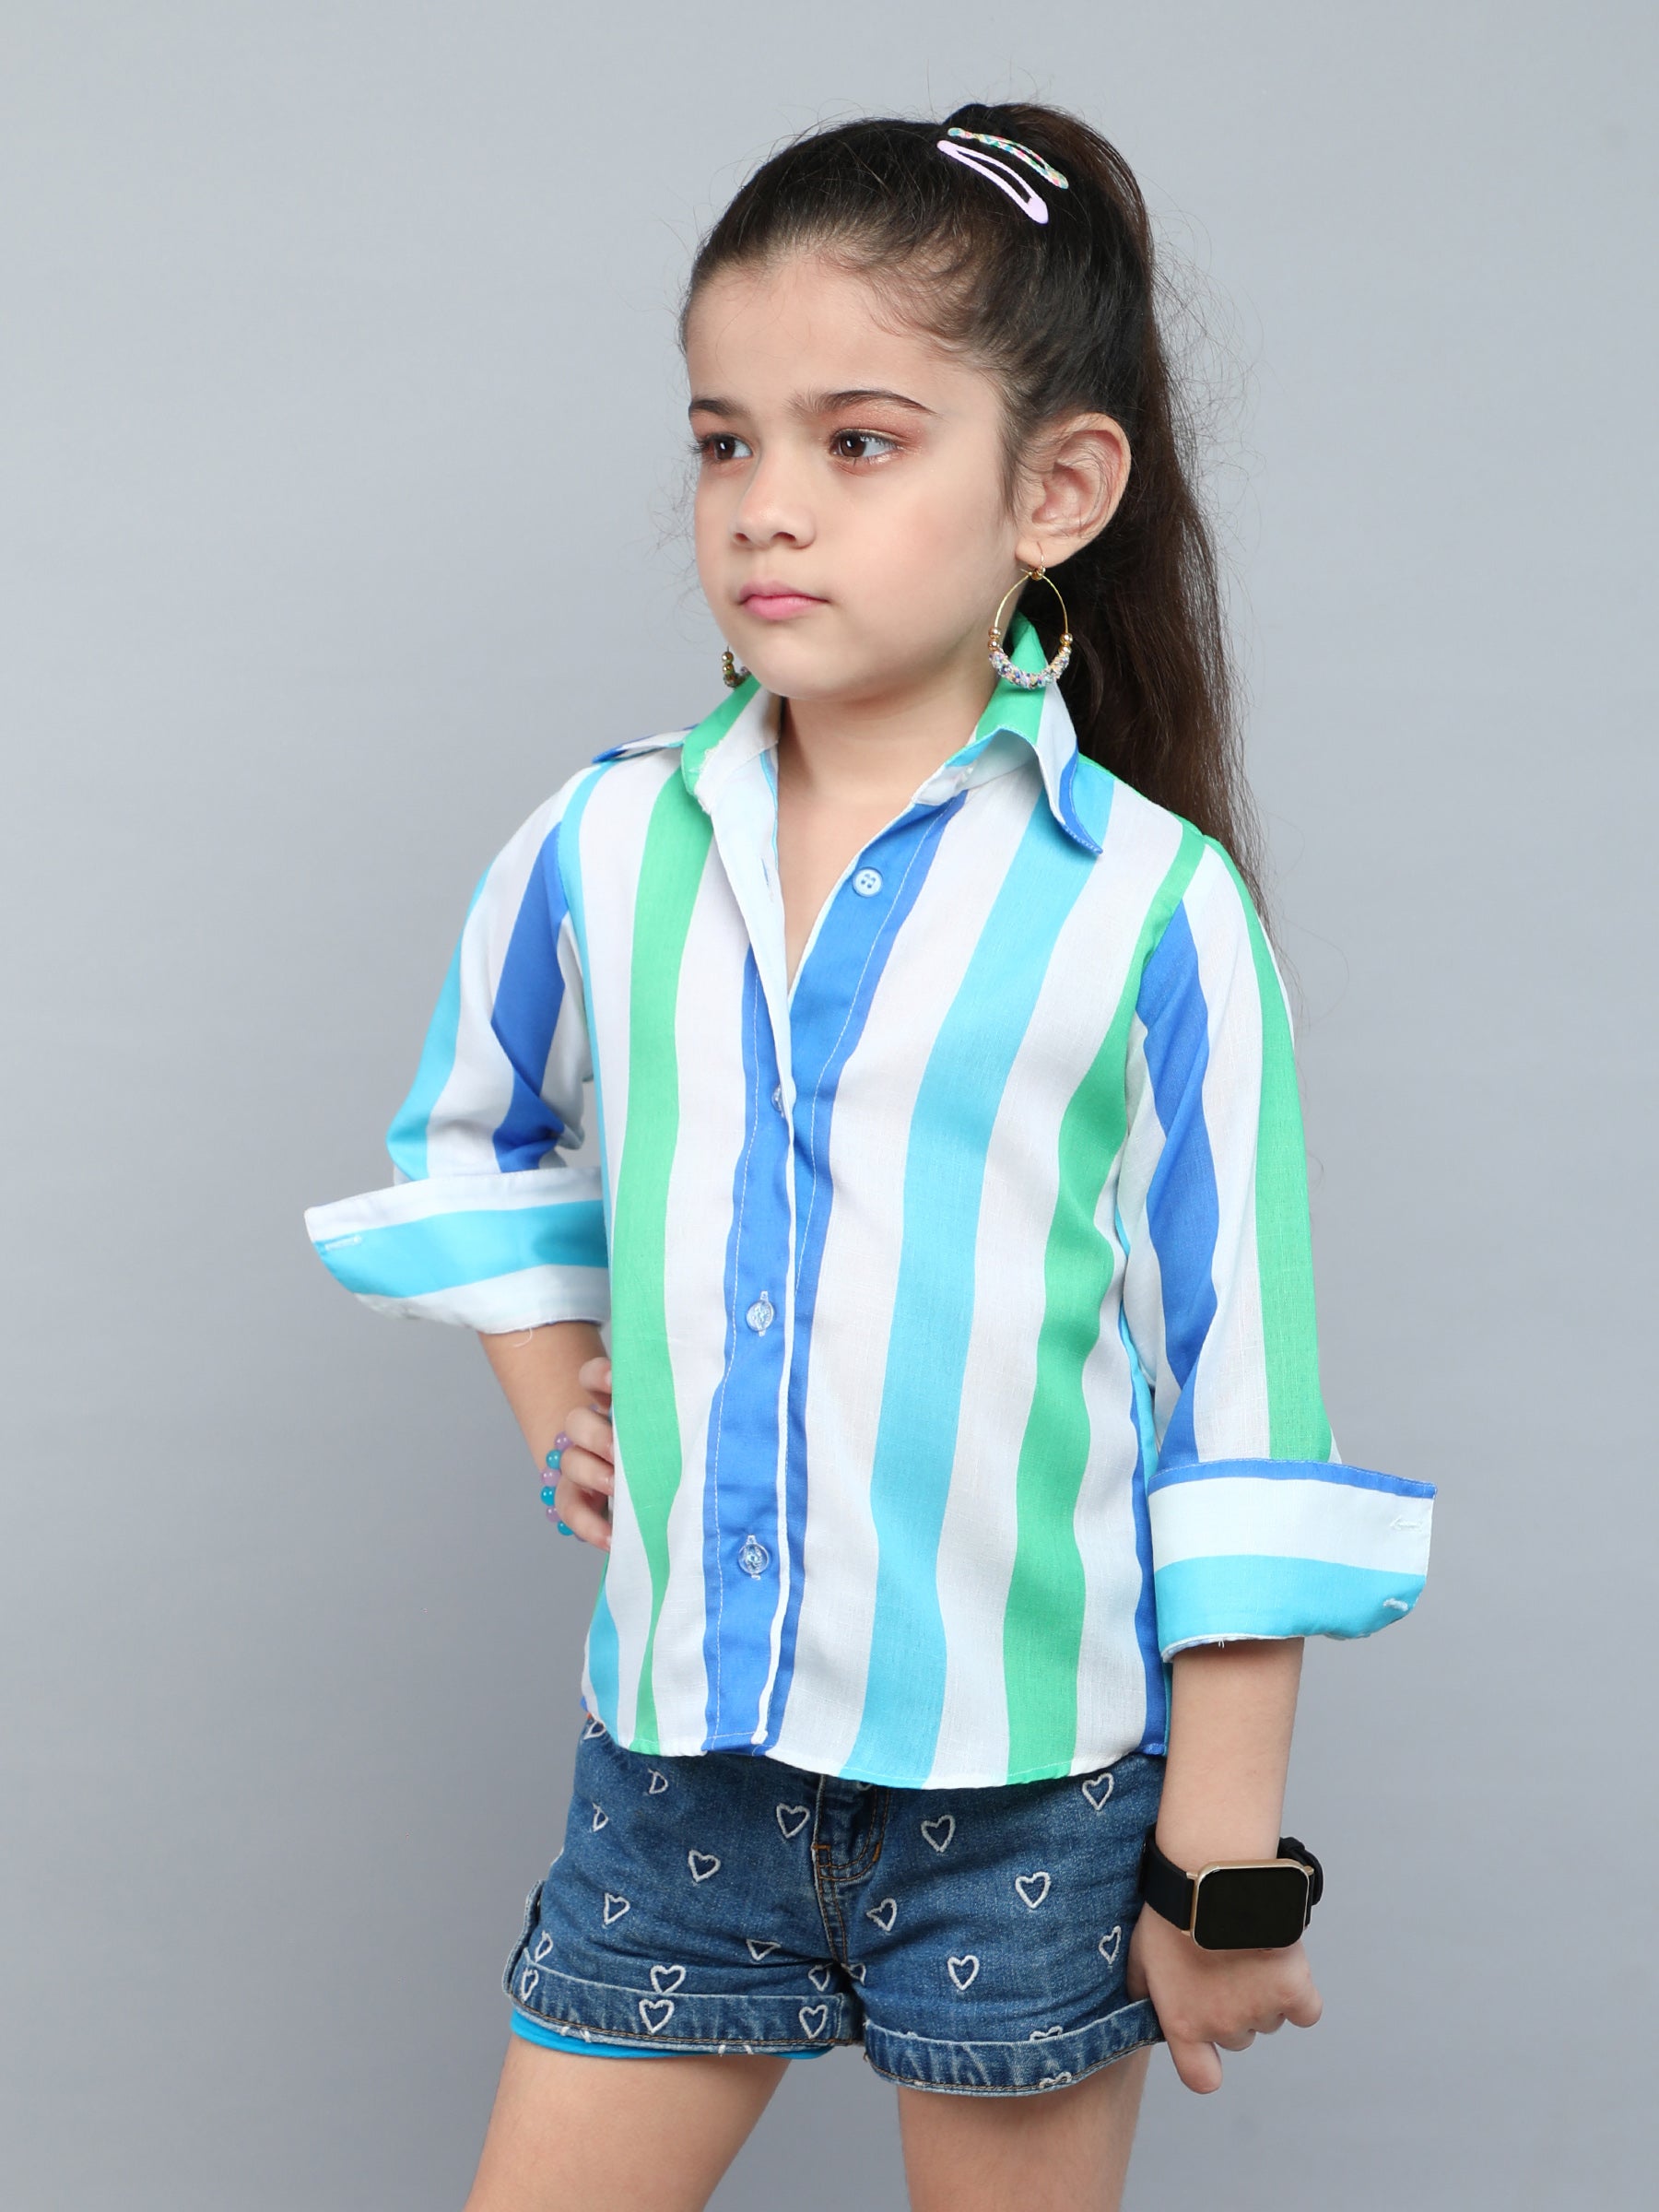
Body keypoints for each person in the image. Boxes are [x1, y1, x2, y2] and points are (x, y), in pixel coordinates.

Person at [302, 99, 1435, 2212]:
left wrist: (1222, 1867)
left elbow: (1245, 1406)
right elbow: (472, 1128)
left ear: (1056, 491)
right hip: (678, 1776)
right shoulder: (605, 843)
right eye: (724, 440)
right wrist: (564, 1405)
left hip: (1032, 1803)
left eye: (859, 441)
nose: (767, 505)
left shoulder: (1154, 913)